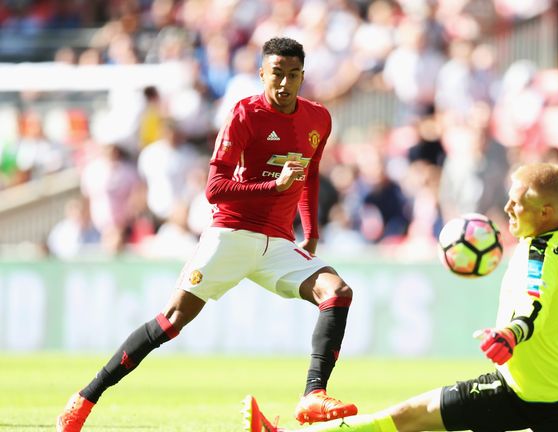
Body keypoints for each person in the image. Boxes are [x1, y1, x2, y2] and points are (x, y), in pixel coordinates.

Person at [243, 162, 558, 432]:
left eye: (521, 203)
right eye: (511, 195)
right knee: (546, 421)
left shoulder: (540, 256)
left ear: (549, 211)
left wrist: (510, 334)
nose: (508, 208)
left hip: (524, 390)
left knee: (411, 418)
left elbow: (534, 301)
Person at [57, 37, 359, 432]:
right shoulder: (245, 114)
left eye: (293, 75)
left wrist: (312, 230)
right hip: (231, 235)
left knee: (336, 292)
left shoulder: (318, 118)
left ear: (303, 75)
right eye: (276, 75)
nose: (284, 85)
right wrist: (273, 187)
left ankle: (313, 395)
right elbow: (214, 188)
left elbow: (309, 175)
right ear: (262, 74)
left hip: (279, 244)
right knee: (171, 320)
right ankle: (85, 398)